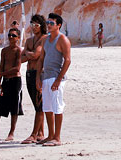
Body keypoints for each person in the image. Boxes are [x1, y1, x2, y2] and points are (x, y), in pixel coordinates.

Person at [36, 12, 71, 147]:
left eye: (51, 23)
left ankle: (57, 137)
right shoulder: (45, 39)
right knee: (47, 107)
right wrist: (38, 77)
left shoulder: (63, 39)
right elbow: (41, 59)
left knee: (57, 107)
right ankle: (50, 135)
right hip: (46, 77)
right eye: (48, 23)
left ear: (59, 25)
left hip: (57, 78)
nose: (48, 25)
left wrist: (58, 79)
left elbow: (67, 60)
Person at [0, 27, 23, 142]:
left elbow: (17, 68)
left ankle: (11, 132)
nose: (10, 37)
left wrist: (3, 73)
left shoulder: (18, 50)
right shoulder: (4, 50)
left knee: (15, 107)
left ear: (18, 38)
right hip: (5, 81)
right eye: (9, 35)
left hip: (15, 81)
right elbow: (2, 65)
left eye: (13, 35)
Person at [20, 14, 46, 144]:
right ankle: (41, 132)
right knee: (36, 103)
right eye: (32, 25)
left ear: (41, 26)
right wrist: (30, 54)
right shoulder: (29, 41)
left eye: (36, 25)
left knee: (39, 105)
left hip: (38, 73)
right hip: (29, 73)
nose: (34, 27)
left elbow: (36, 55)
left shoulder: (44, 39)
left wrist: (28, 53)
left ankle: (34, 134)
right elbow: (21, 58)